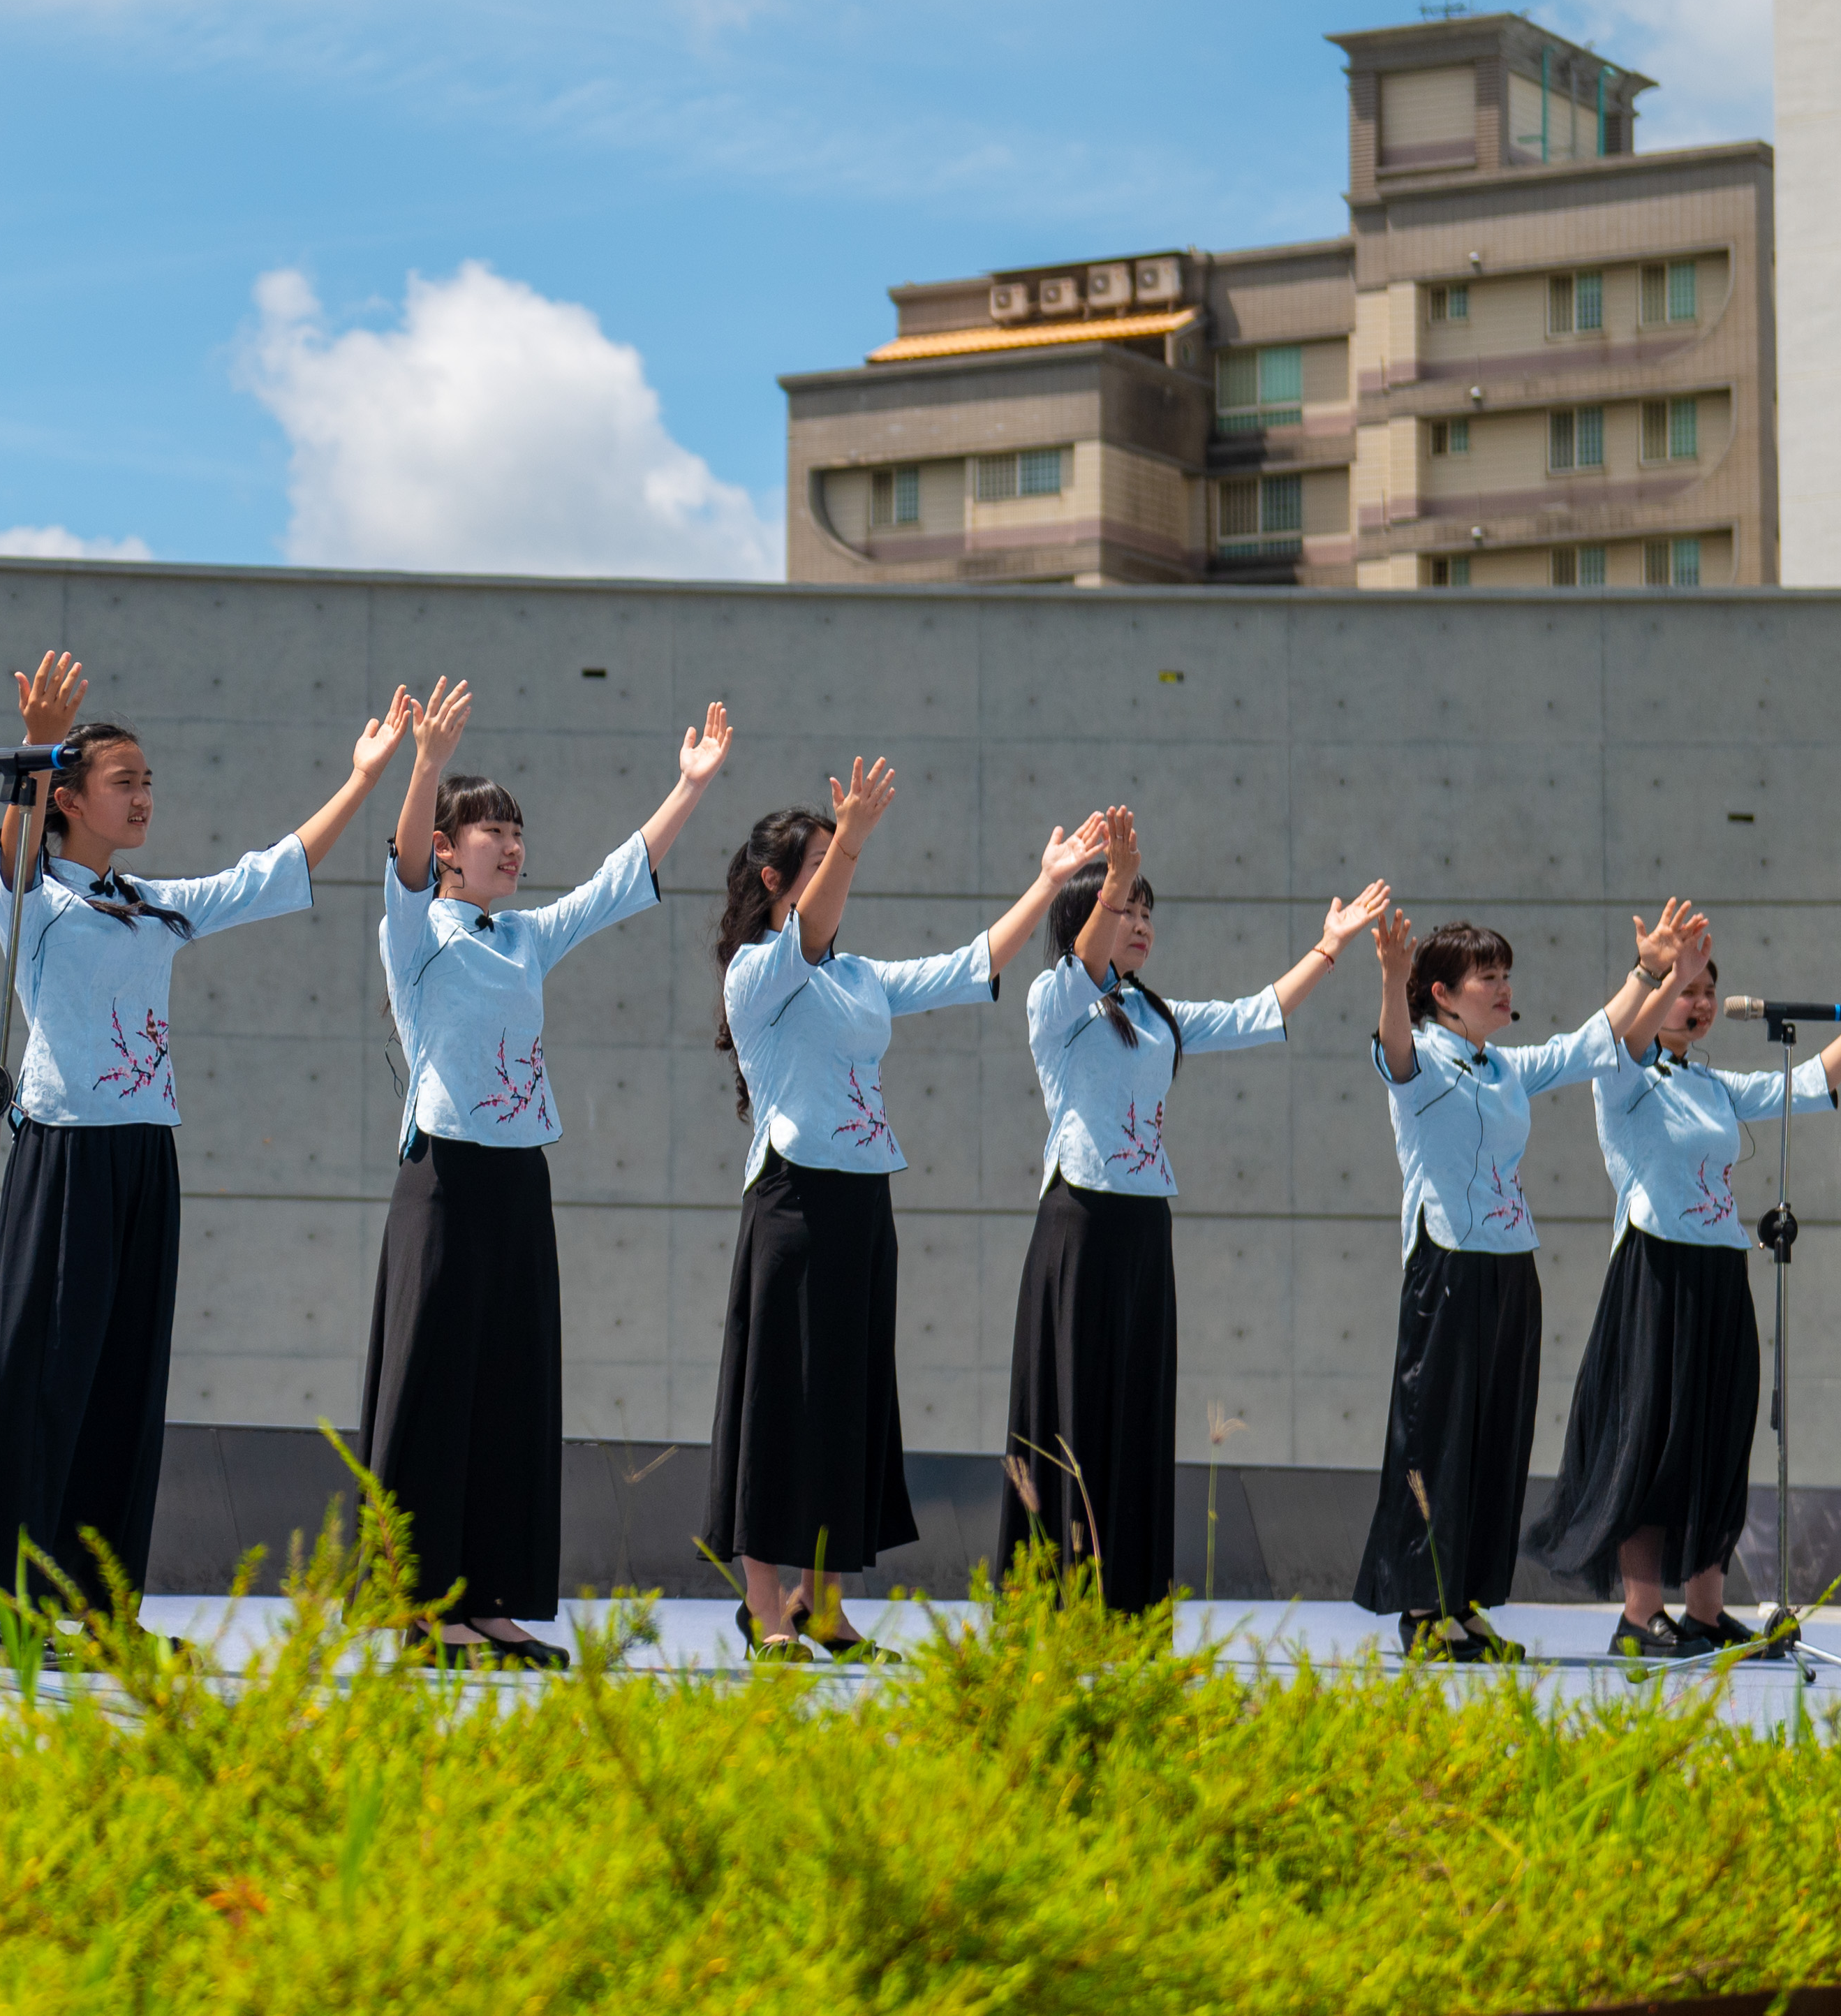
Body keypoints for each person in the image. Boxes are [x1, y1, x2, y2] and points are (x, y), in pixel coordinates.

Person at [0, 651, 412, 1624]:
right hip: (67, 1157)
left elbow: (274, 872)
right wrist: (37, 752)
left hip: (145, 1159)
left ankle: (102, 1615)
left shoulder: (152, 906)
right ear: (69, 800)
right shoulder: (34, 900)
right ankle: (22, 1609)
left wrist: (364, 776)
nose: (143, 798)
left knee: (126, 1390)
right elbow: (10, 850)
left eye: (148, 782)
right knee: (48, 1383)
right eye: (123, 782)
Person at [364, 679, 732, 1668]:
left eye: (516, 830)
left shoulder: (524, 936)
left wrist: (686, 786)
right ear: (447, 847)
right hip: (442, 1181)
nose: (510, 844)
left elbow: (618, 879)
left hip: (519, 1179)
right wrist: (428, 766)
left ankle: (490, 1600)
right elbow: (398, 862)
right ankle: (421, 1606)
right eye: (489, 830)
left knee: (512, 1391)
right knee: (434, 1393)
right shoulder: (415, 932)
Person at [705, 763, 1103, 1659]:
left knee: (846, 1403)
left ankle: (826, 1603)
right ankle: (764, 1604)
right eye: (818, 862)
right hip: (790, 1207)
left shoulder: (857, 977)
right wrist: (850, 835)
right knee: (780, 1404)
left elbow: (972, 965)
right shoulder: (759, 973)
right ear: (775, 880)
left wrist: (1046, 882)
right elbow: (806, 930)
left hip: (860, 1205)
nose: (836, 878)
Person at [1001, 807, 1391, 1613]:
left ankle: (1129, 1601)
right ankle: (1056, 1600)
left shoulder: (1155, 1017)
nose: (1140, 924)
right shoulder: (1054, 1001)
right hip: (1078, 1225)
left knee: (1136, 1412)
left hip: (1145, 1230)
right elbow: (1079, 963)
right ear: (1086, 918)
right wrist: (1109, 879)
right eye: (1124, 909)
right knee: (1072, 1413)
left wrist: (1330, 944)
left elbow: (1259, 1013)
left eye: (1147, 912)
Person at [1529, 944, 1841, 1656]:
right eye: (1686, 991)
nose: (1700, 1003)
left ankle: (1705, 1611)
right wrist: (1654, 976)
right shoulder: (1621, 1074)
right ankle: (1639, 1612)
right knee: (1651, 1440)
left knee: (1715, 1439)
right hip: (1655, 1276)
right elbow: (1622, 1032)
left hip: (1719, 1273)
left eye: (1707, 990)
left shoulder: (1709, 1084)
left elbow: (1804, 1085)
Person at [1350, 899, 1702, 1662]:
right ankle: (1422, 1606)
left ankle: (1466, 1601)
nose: (1503, 987)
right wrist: (1389, 977)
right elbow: (1392, 1043)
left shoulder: (1503, 1066)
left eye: (1505, 974)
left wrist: (1647, 971)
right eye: (1486, 977)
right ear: (1441, 992)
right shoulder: (1420, 1061)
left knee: (1495, 1438)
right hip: (1445, 1267)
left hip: (1510, 1265)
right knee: (1436, 1436)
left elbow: (1587, 1045)